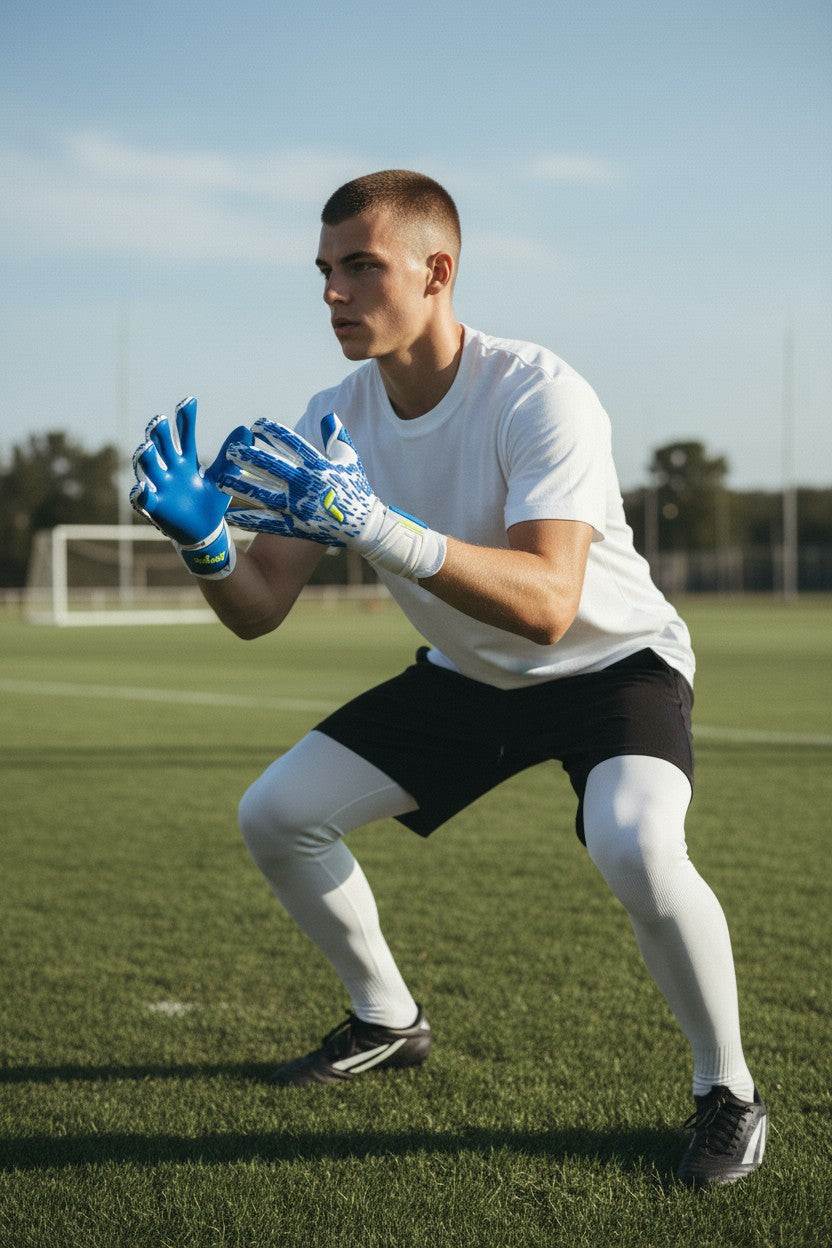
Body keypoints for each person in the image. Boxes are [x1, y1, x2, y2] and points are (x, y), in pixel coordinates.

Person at [129, 170, 766, 1187]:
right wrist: (206, 545)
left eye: (360, 267)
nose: (333, 291)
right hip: (468, 673)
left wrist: (377, 526)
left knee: (637, 843)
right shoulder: (333, 413)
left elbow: (552, 601)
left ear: (437, 271)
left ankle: (726, 1091)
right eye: (325, 270)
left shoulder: (536, 390)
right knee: (276, 813)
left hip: (609, 665)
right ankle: (387, 1018)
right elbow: (259, 608)